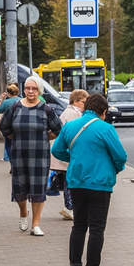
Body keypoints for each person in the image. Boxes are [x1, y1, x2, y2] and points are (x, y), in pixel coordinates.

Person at [51, 93, 127, 266]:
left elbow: (56, 150)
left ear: (86, 108)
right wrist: (116, 168)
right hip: (100, 184)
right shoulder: (106, 128)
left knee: (78, 225)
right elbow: (121, 156)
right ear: (103, 111)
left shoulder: (70, 126)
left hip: (76, 182)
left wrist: (74, 159)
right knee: (96, 228)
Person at [0, 77, 62, 235]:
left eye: (34, 89)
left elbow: (57, 129)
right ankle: (23, 212)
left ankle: (36, 224)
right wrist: (16, 138)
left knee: (38, 189)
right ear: (24, 89)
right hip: (19, 154)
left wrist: (43, 138)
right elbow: (4, 127)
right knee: (20, 187)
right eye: (28, 88)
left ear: (39, 90)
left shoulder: (46, 109)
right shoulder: (15, 107)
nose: (30, 91)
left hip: (39, 155)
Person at [50, 89, 88, 221]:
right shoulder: (72, 113)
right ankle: (69, 207)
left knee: (68, 180)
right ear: (76, 101)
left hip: (64, 153)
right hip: (67, 154)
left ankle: (70, 207)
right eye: (83, 102)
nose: (85, 105)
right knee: (70, 181)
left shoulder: (70, 112)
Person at [0, 83, 21, 162]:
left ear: (8, 93)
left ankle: (12, 162)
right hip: (20, 125)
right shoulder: (22, 100)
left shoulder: (6, 102)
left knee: (8, 145)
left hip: (9, 125)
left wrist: (2, 100)